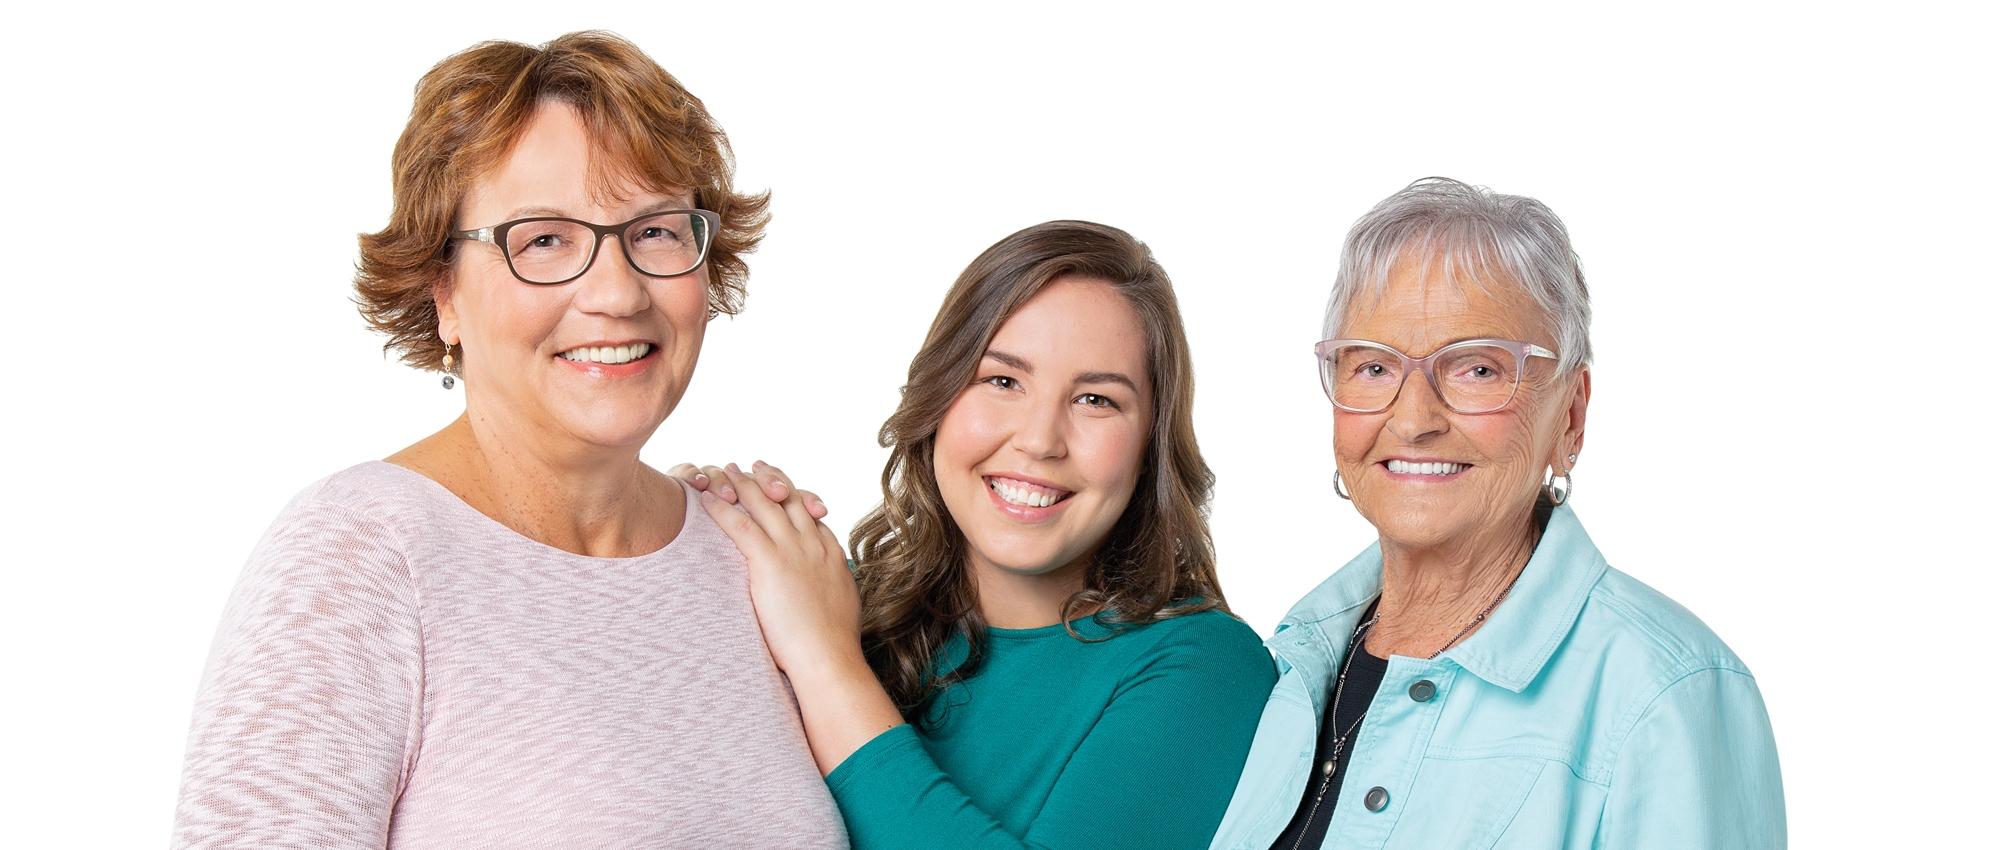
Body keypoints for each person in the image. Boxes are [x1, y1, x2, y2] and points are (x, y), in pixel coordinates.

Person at [170, 32, 847, 849]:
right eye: (544, 240)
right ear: (443, 293)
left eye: (657, 232)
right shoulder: (363, 556)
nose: (616, 292)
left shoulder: (759, 559)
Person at [1205, 178, 1785, 849]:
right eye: (1373, 368)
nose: (1414, 418)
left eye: (1476, 369)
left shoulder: (1666, 695)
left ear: (1570, 415)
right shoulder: (1288, 668)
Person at [688, 221, 1277, 849]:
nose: (1039, 440)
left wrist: (825, 664)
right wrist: (683, 536)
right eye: (1001, 381)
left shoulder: (1205, 668)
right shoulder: (829, 599)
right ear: (939, 397)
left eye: (1096, 400)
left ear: (1150, 445)